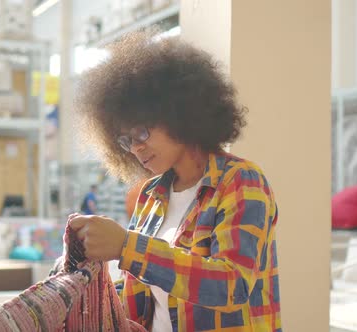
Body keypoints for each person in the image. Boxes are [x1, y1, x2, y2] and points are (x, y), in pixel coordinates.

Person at [68, 30, 281, 332]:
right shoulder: (151, 197)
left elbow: (231, 286)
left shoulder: (241, 182)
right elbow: (143, 297)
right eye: (126, 141)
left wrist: (126, 247)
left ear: (179, 114)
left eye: (142, 132)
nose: (136, 148)